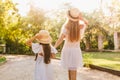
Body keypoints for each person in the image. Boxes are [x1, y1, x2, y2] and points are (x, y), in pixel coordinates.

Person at [54, 8, 88, 80]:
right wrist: (81, 18)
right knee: (73, 71)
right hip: (75, 51)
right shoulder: (81, 26)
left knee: (70, 71)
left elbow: (60, 39)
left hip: (67, 50)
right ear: (77, 17)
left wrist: (54, 48)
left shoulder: (66, 27)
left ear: (69, 17)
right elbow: (86, 22)